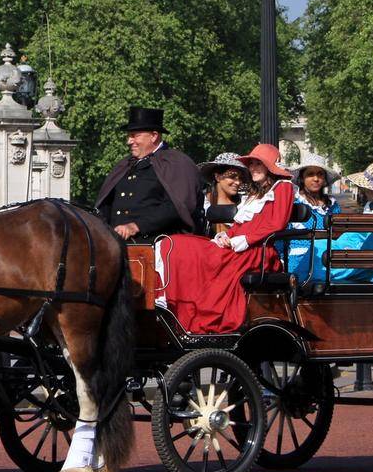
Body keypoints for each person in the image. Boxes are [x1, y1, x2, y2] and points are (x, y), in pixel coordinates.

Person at [156, 143, 294, 334]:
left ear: (269, 166)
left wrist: (242, 240)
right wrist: (225, 236)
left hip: (257, 251)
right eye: (251, 164)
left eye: (257, 164)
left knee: (197, 255)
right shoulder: (254, 194)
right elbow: (240, 225)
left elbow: (276, 224)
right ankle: (168, 299)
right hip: (240, 246)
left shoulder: (283, 187)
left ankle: (193, 312)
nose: (252, 168)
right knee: (174, 243)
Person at [95, 107, 201, 241]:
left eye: (135, 135)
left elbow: (176, 207)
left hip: (158, 244)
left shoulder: (176, 162)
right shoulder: (124, 165)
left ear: (154, 136)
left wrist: (136, 226)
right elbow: (105, 205)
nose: (129, 141)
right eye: (129, 136)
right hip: (116, 244)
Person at [311, 162, 373, 282]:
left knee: (319, 263)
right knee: (316, 247)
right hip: (369, 258)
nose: (363, 189)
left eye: (365, 187)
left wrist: (346, 247)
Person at [286, 153, 341, 283]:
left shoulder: (333, 206)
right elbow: (281, 239)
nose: (316, 178)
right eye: (310, 174)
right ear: (302, 178)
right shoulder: (293, 203)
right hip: (299, 261)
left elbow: (340, 236)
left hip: (327, 261)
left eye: (320, 174)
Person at [200, 153, 247, 236]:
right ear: (217, 177)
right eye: (232, 177)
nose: (238, 182)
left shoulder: (244, 204)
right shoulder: (202, 202)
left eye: (240, 178)